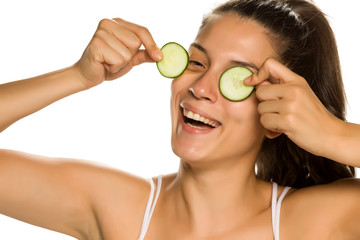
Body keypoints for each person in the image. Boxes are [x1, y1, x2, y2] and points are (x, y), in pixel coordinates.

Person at [1, 0, 360, 239]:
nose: (201, 88)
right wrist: (77, 76)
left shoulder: (314, 223)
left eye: (237, 78)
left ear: (276, 115)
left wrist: (334, 134)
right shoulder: (117, 208)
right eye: (197, 63)